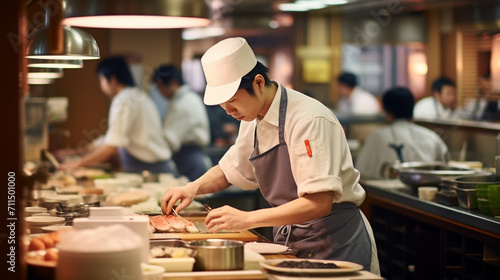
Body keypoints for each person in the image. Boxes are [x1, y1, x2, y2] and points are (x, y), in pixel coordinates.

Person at [161, 37, 380, 274]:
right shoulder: (251, 117)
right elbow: (230, 169)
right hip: (290, 240)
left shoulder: (307, 119)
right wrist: (192, 188)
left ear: (258, 82)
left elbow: (319, 203)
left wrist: (247, 219)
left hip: (336, 242)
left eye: (233, 101)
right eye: (224, 105)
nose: (229, 111)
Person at [60, 56, 175, 174]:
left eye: (101, 79)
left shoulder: (123, 100)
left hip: (151, 169)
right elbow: (110, 138)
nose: (101, 85)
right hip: (155, 165)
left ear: (112, 79)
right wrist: (76, 152)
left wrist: (78, 163)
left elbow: (112, 145)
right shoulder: (137, 95)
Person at [355, 87, 448, 179]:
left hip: (383, 191)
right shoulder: (431, 135)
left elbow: (360, 169)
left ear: (388, 112)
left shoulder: (377, 136)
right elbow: (444, 163)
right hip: (424, 188)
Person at [152, 64, 211, 181]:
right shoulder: (188, 98)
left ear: (173, 82)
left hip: (190, 158)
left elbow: (169, 140)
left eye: (161, 87)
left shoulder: (183, 104)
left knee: (193, 197)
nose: (160, 92)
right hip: (190, 156)